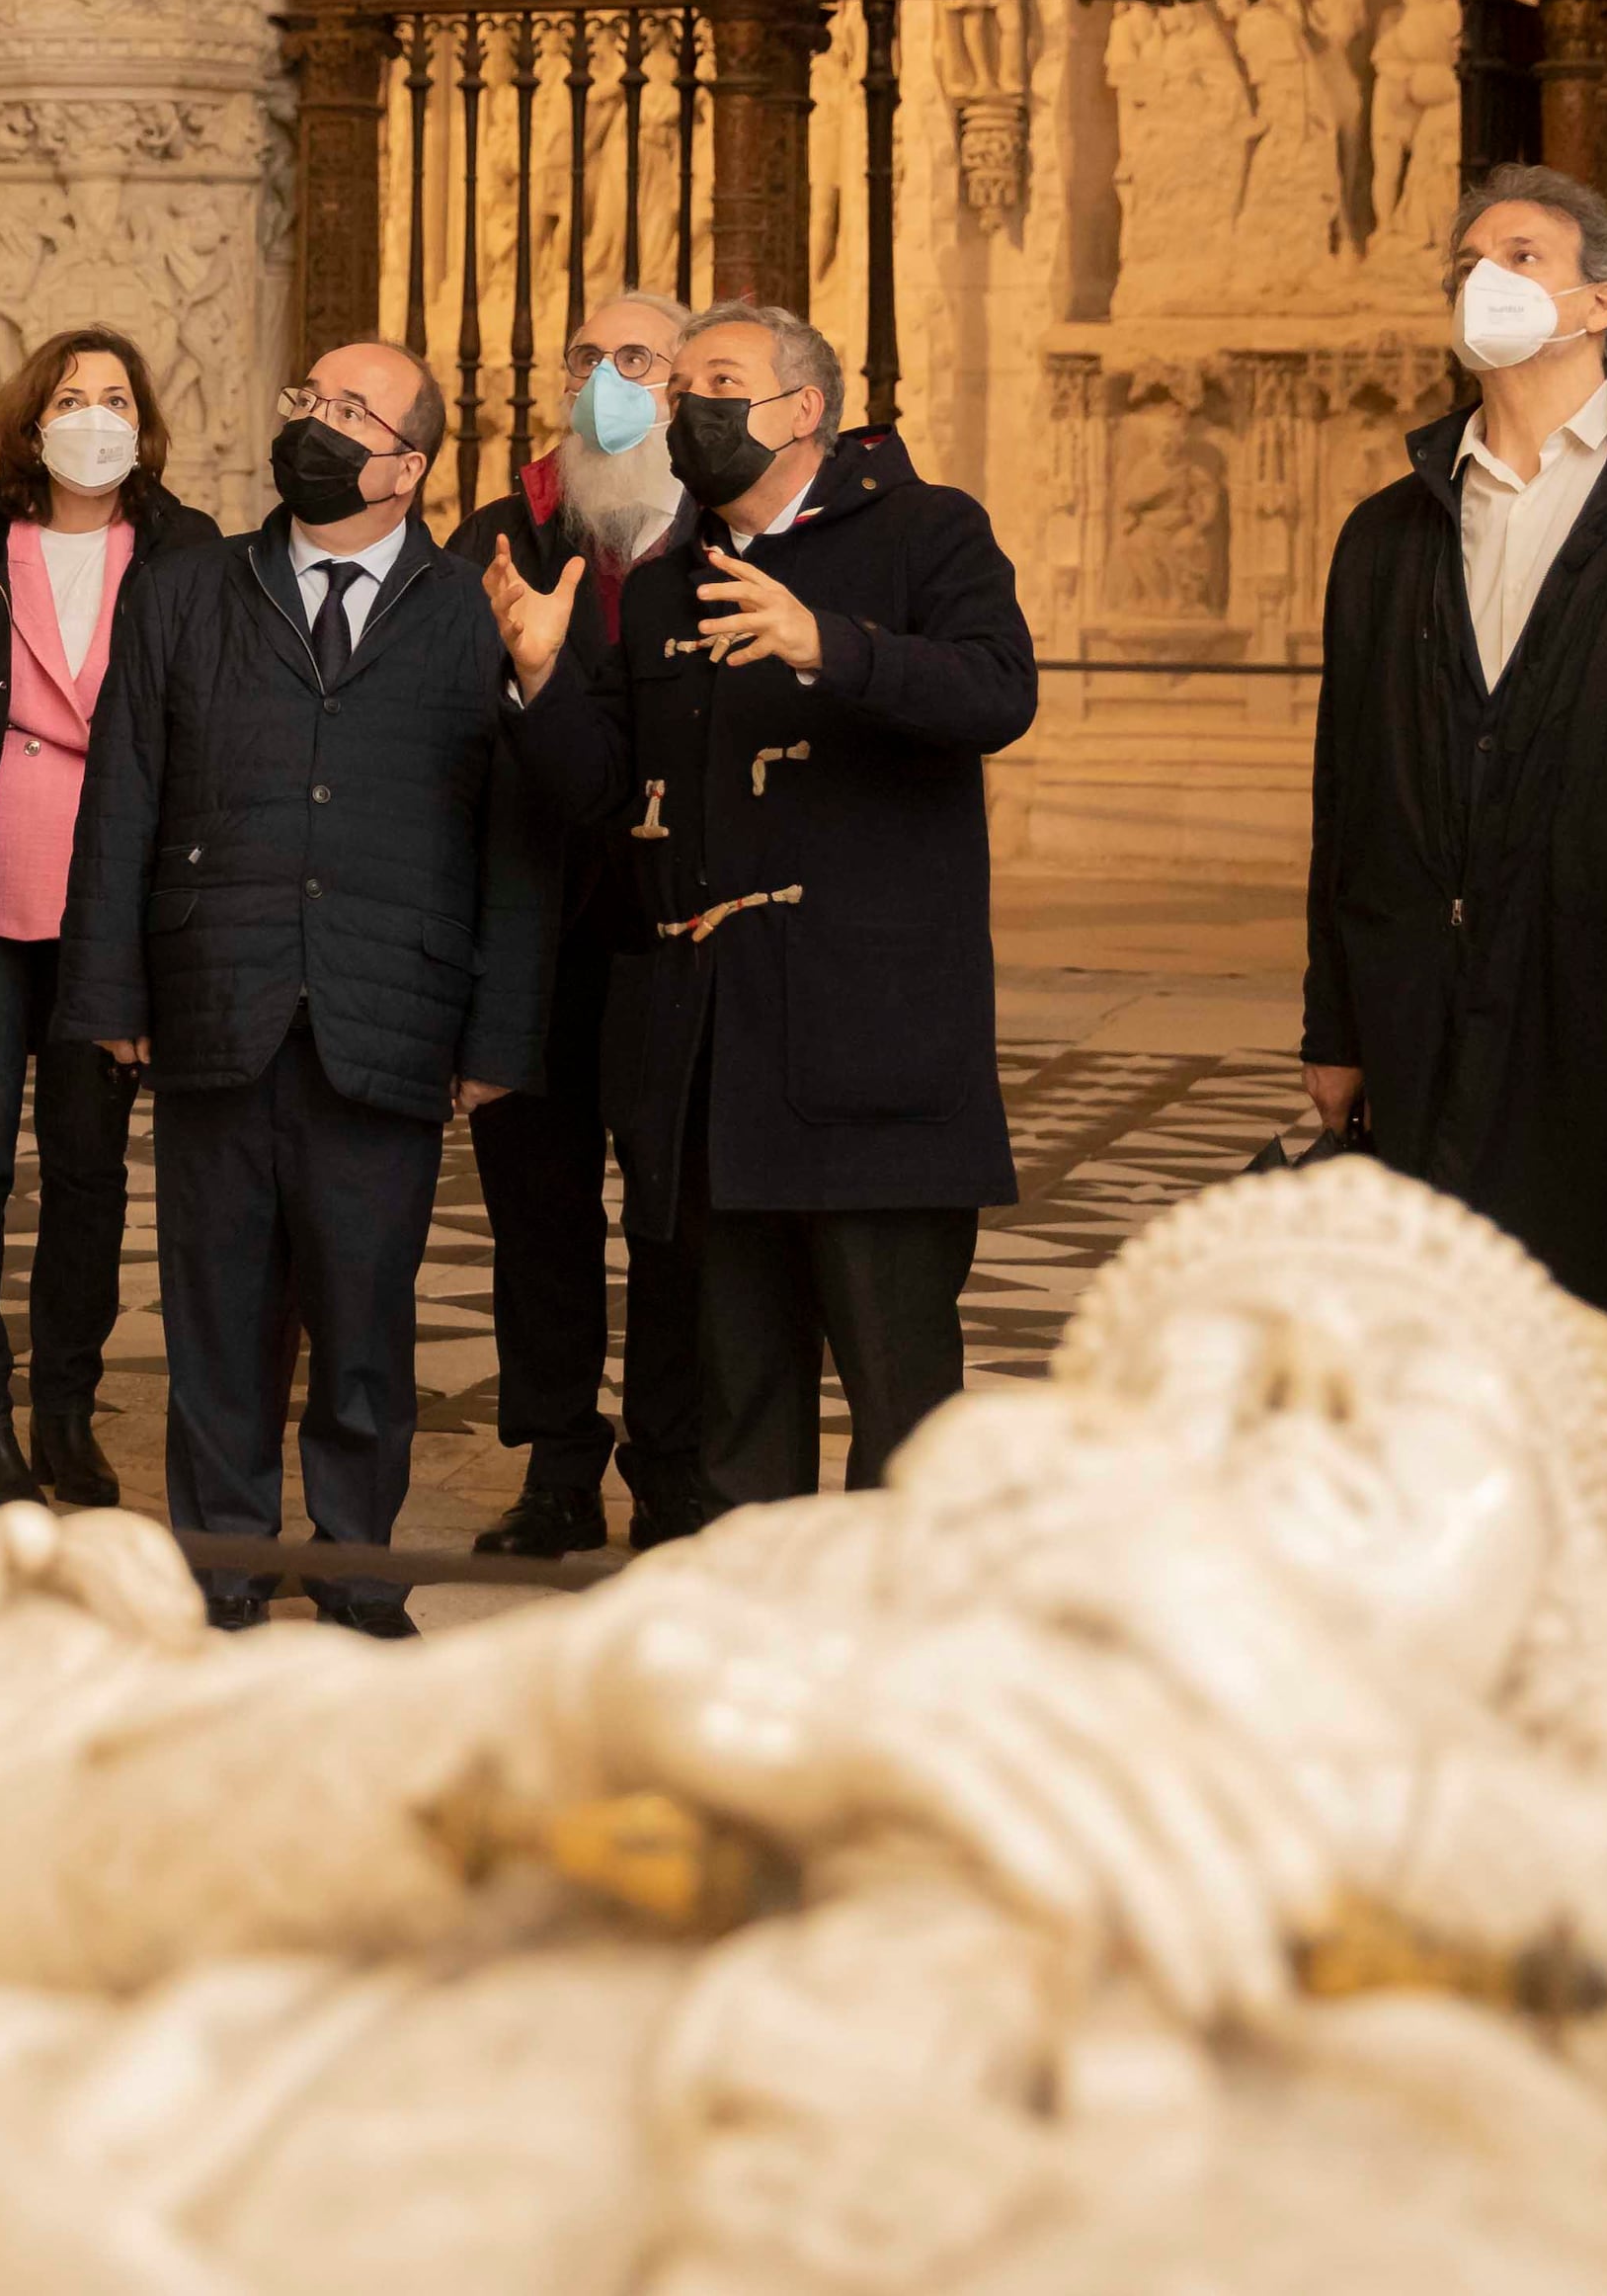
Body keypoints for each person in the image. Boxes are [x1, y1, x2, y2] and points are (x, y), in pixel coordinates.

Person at [493, 302, 1031, 1513]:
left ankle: (899, 1661)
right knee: (738, 1395)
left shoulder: (925, 530)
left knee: (898, 1401)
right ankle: (750, 1644)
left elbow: (998, 691)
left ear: (801, 410)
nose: (684, 407)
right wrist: (539, 678)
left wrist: (826, 644)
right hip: (711, 1051)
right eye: (677, 387)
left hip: (871, 1046)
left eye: (715, 380)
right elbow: (601, 788)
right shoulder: (672, 575)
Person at [62, 340, 550, 1633]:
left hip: (389, 1012)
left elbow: (516, 836)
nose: (315, 427)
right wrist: (109, 994)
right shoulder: (183, 590)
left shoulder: (469, 612)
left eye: (349, 412)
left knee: (366, 1321)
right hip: (217, 999)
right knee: (214, 1318)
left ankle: (354, 1567)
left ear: (407, 464)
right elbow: (123, 799)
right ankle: (219, 1567)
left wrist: (501, 1028)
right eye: (308, 402)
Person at [1302, 166, 1607, 1377]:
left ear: (1597, 307)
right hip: (1428, 1010)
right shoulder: (1389, 530)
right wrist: (1334, 1019)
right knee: (1438, 1364)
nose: (1480, 274)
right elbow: (1346, 789)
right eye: (1466, 258)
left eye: (1518, 254)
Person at [0, 327, 220, 1504]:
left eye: (116, 397)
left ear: (143, 424)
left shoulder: (189, 550)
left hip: (114, 900)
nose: (95, 415)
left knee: (89, 1169)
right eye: (73, 396)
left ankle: (66, 1409)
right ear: (32, 421)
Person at [446, 288, 715, 1558]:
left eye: (636, 359)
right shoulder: (505, 529)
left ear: (677, 389)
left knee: (674, 1218)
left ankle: (672, 1465)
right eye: (585, 357)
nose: (603, 379)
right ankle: (557, 1466)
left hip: (674, 937)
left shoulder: (719, 530)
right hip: (534, 934)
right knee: (537, 1223)